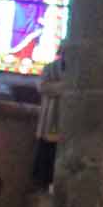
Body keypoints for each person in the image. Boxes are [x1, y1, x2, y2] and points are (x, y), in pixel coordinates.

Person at [33, 46, 67, 189]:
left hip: (67, 119)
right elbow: (42, 87)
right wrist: (65, 87)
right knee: (47, 151)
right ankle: (44, 183)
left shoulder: (77, 70)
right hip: (52, 116)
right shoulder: (50, 68)